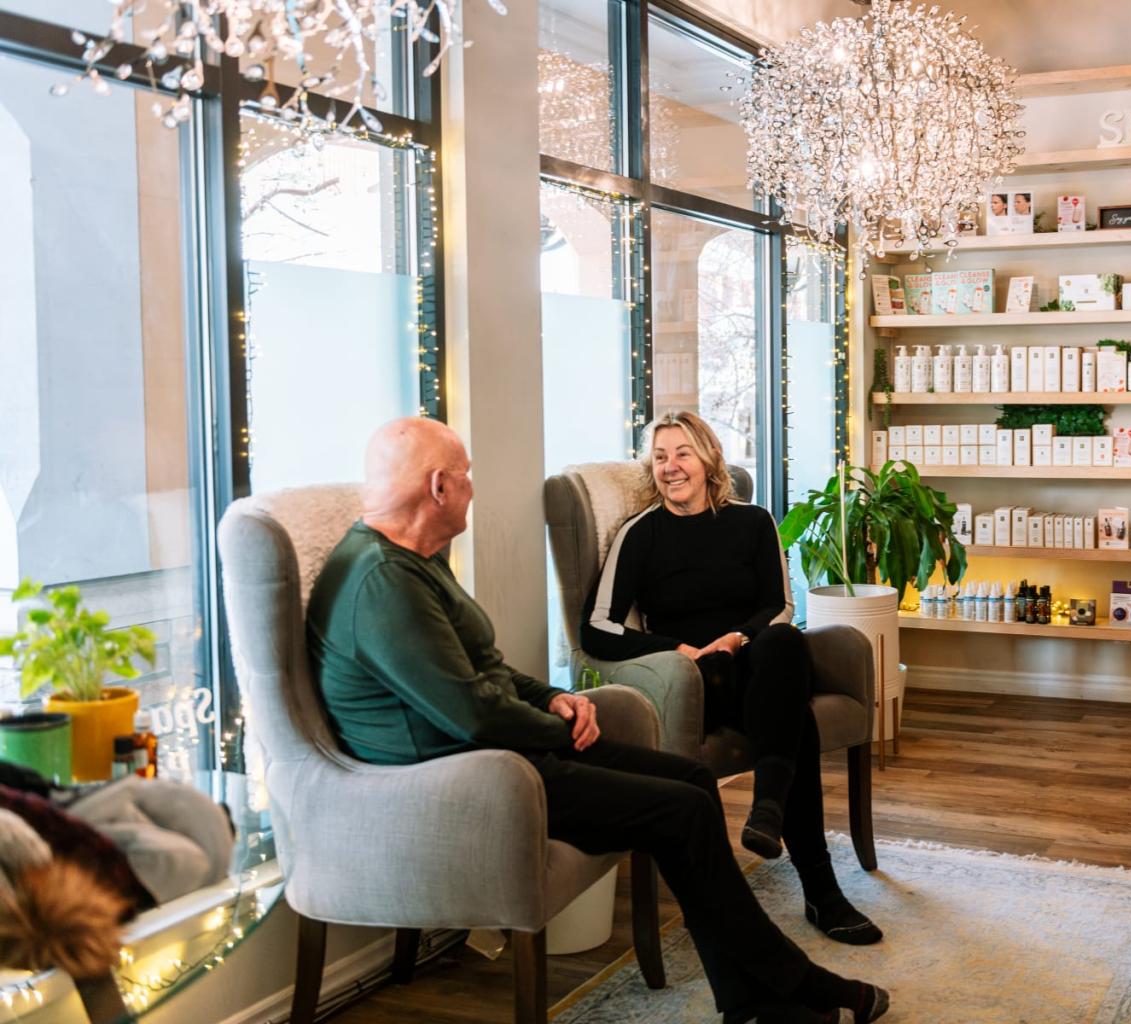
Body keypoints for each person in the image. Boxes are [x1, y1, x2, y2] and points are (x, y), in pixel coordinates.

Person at [306, 418, 888, 1024]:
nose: (475, 488)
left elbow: (484, 672)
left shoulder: (413, 562)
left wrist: (552, 696)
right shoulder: (382, 583)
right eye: (466, 475)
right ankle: (800, 984)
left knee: (694, 777)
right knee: (685, 809)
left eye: (682, 453)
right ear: (437, 488)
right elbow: (475, 714)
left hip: (503, 752)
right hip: (466, 779)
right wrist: (561, 727)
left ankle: (752, 995)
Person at [582, 411, 882, 948]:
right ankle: (821, 890)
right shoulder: (640, 535)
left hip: (757, 662)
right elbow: (598, 628)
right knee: (794, 718)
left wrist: (737, 638)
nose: (671, 467)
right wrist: (675, 648)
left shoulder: (753, 521)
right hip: (698, 681)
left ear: (709, 459)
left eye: (682, 454)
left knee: (783, 643)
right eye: (660, 457)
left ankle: (771, 812)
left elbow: (778, 605)